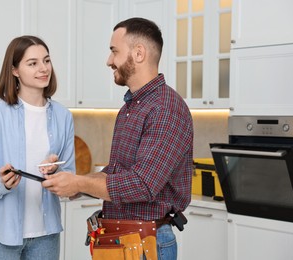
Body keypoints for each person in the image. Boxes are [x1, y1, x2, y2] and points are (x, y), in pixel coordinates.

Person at [42, 17, 193, 259]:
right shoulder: (131, 107)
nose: (109, 61)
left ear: (139, 53)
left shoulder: (166, 108)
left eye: (114, 51)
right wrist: (73, 183)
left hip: (146, 244)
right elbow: (115, 173)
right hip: (123, 242)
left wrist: (79, 183)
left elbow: (142, 184)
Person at [0, 35, 75, 260]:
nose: (43, 68)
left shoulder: (63, 116)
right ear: (15, 70)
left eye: (46, 61)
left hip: (46, 235)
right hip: (1, 233)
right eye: (33, 63)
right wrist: (2, 183)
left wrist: (57, 175)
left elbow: (72, 180)